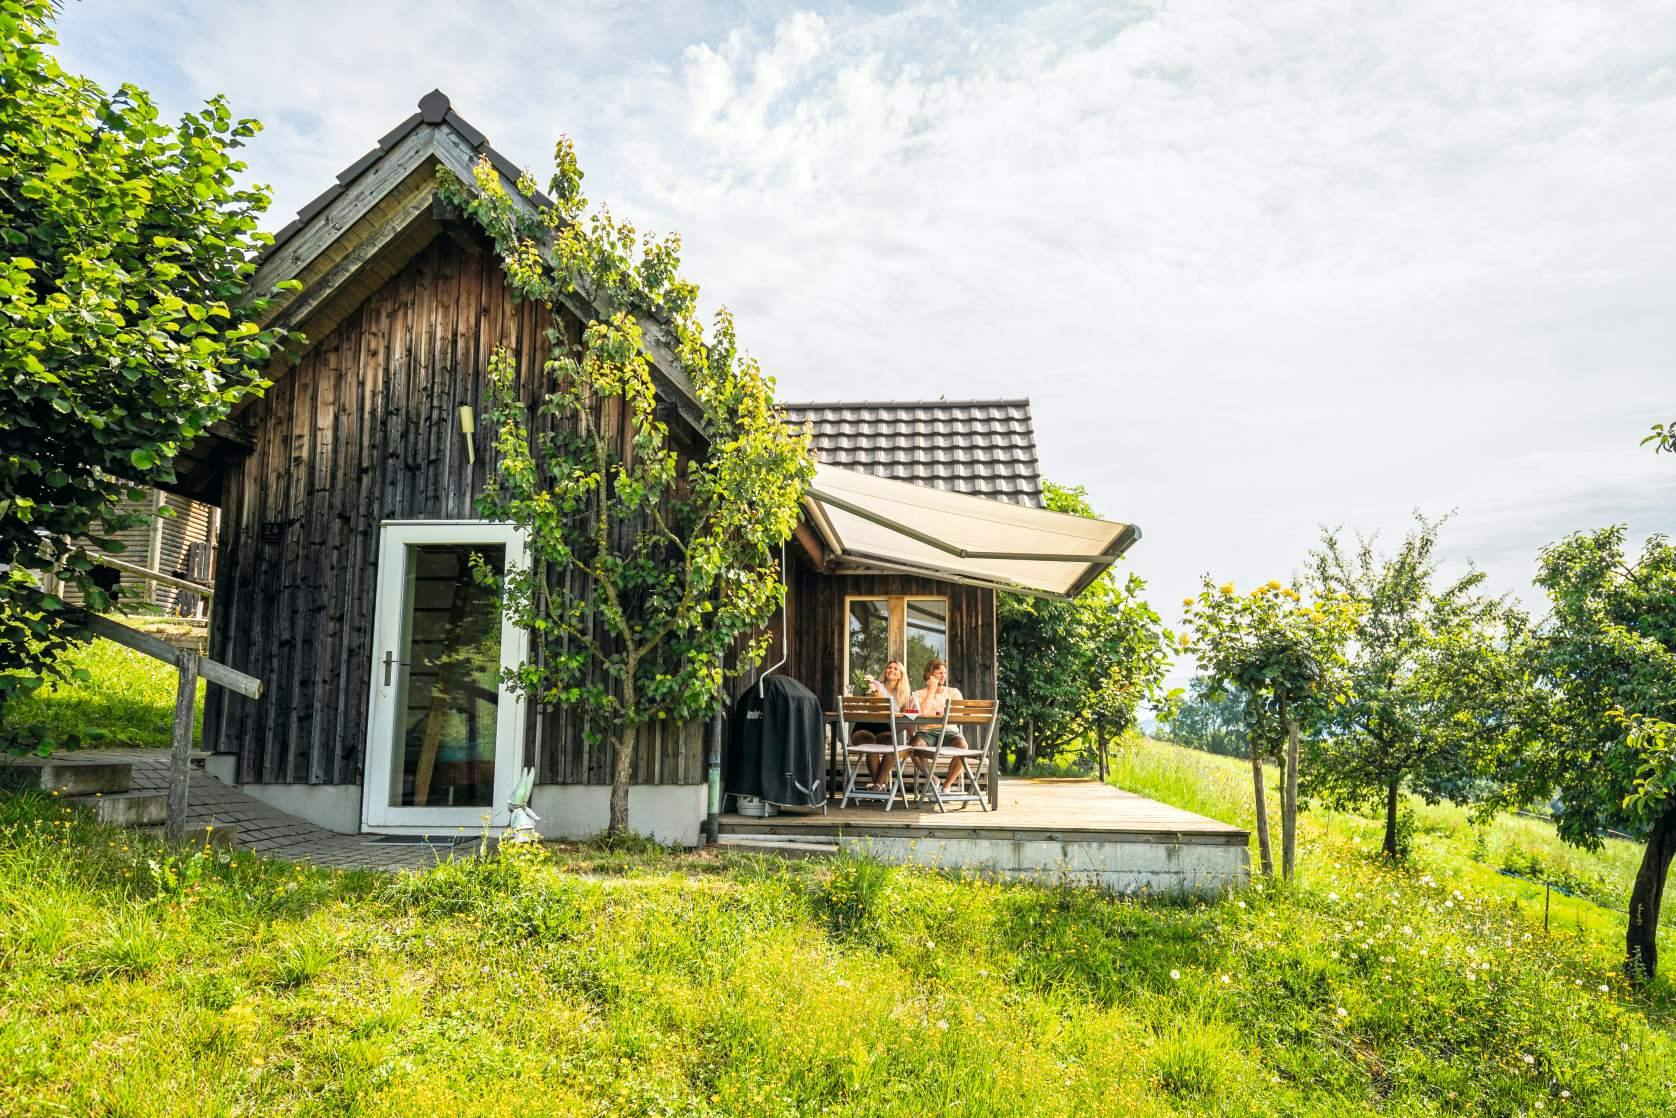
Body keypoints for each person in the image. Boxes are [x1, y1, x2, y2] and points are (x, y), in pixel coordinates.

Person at [909, 658, 971, 792]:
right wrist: (931, 690)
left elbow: (958, 716)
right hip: (926, 733)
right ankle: (932, 779)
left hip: (949, 731)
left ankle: (946, 786)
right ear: (929, 675)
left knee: (963, 746)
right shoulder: (918, 694)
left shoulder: (954, 693)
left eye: (944, 672)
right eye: (939, 673)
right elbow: (922, 714)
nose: (943, 676)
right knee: (913, 748)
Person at [852, 660, 910, 792]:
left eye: (896, 668)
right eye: (889, 667)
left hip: (885, 728)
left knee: (892, 746)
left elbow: (906, 717)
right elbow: (878, 707)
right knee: (870, 745)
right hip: (865, 725)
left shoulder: (903, 696)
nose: (891, 670)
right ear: (885, 672)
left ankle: (877, 786)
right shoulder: (875, 686)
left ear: (900, 675)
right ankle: (879, 786)